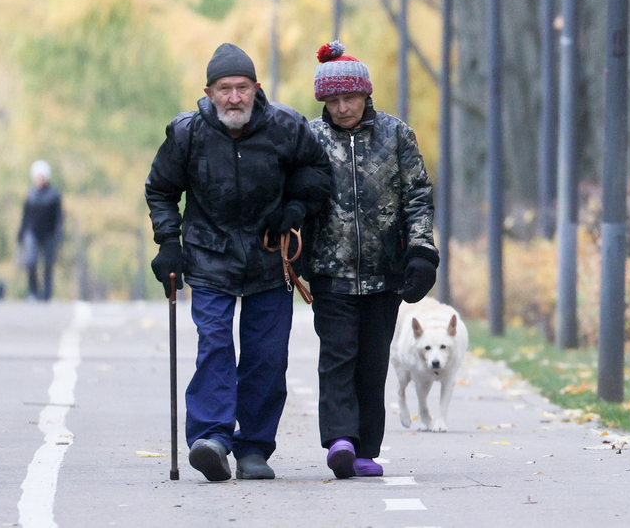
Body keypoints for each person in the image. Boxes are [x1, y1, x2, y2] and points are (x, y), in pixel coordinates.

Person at [145, 43, 330, 482]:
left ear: (256, 88)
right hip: (209, 255)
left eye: (242, 88)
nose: (234, 98)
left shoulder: (286, 126)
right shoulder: (186, 133)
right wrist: (168, 242)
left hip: (271, 256)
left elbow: (318, 173)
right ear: (208, 92)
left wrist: (294, 210)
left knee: (267, 356)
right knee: (214, 345)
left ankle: (253, 448)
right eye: (225, 89)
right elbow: (161, 190)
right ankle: (211, 438)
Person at [301, 40, 439, 479]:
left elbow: (418, 196)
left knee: (373, 360)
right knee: (338, 354)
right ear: (324, 100)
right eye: (333, 99)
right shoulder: (309, 138)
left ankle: (365, 448)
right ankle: (340, 439)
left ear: (366, 94)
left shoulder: (396, 135)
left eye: (350, 97)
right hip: (329, 270)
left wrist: (421, 251)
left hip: (385, 272)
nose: (342, 107)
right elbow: (295, 197)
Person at [18, 160, 62, 301]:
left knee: (48, 265)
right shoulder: (30, 195)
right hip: (32, 233)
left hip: (49, 234)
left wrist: (58, 234)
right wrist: (21, 233)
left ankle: (47, 294)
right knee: (31, 261)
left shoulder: (54, 196)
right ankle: (32, 292)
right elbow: (25, 216)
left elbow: (58, 218)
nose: (40, 180)